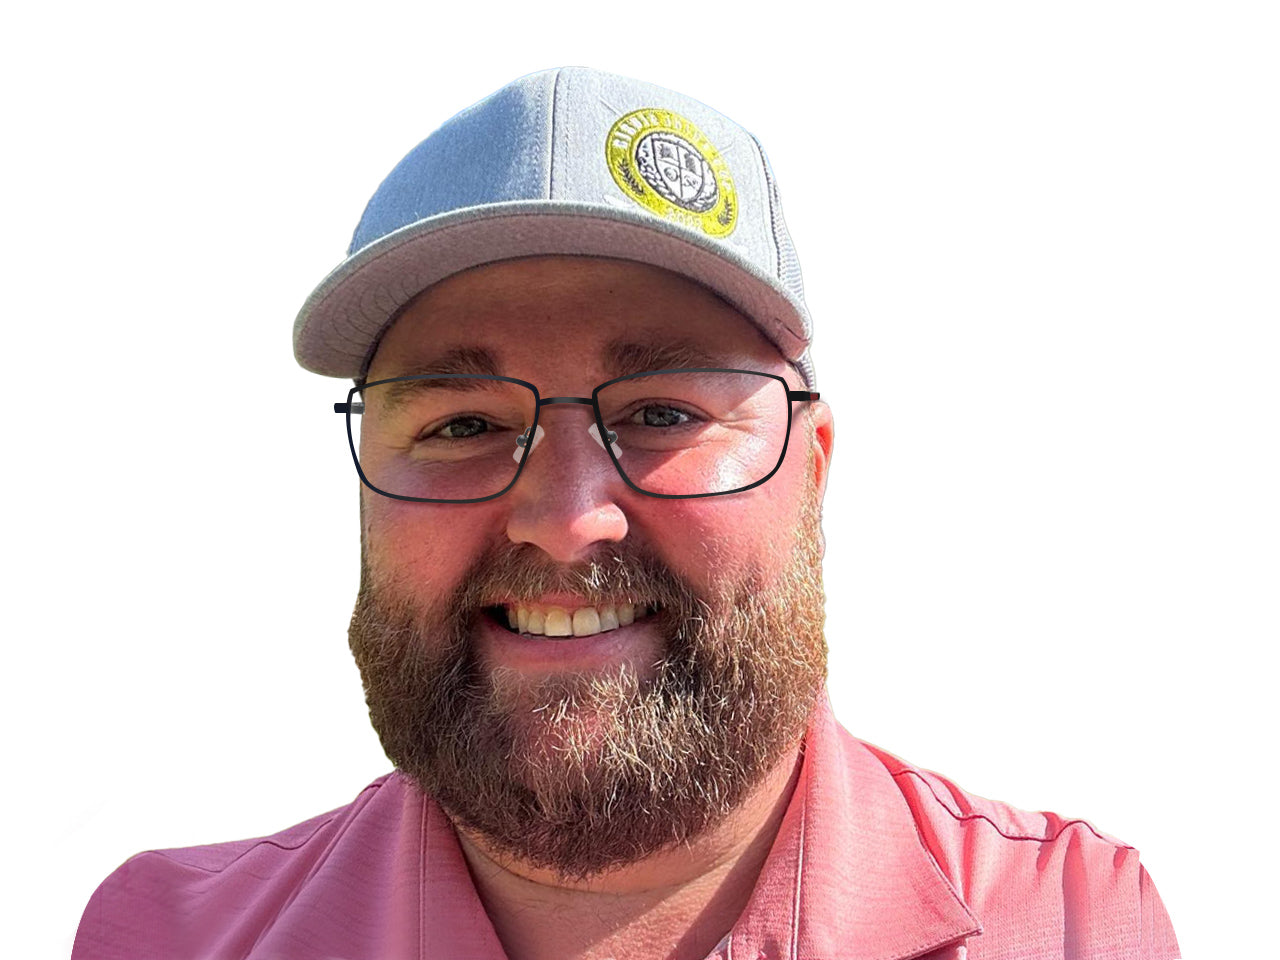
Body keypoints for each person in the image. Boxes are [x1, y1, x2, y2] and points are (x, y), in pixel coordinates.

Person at [72, 67, 1179, 960]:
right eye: (462, 424)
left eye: (660, 413)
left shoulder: (1072, 924)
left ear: (813, 470)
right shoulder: (168, 937)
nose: (565, 519)